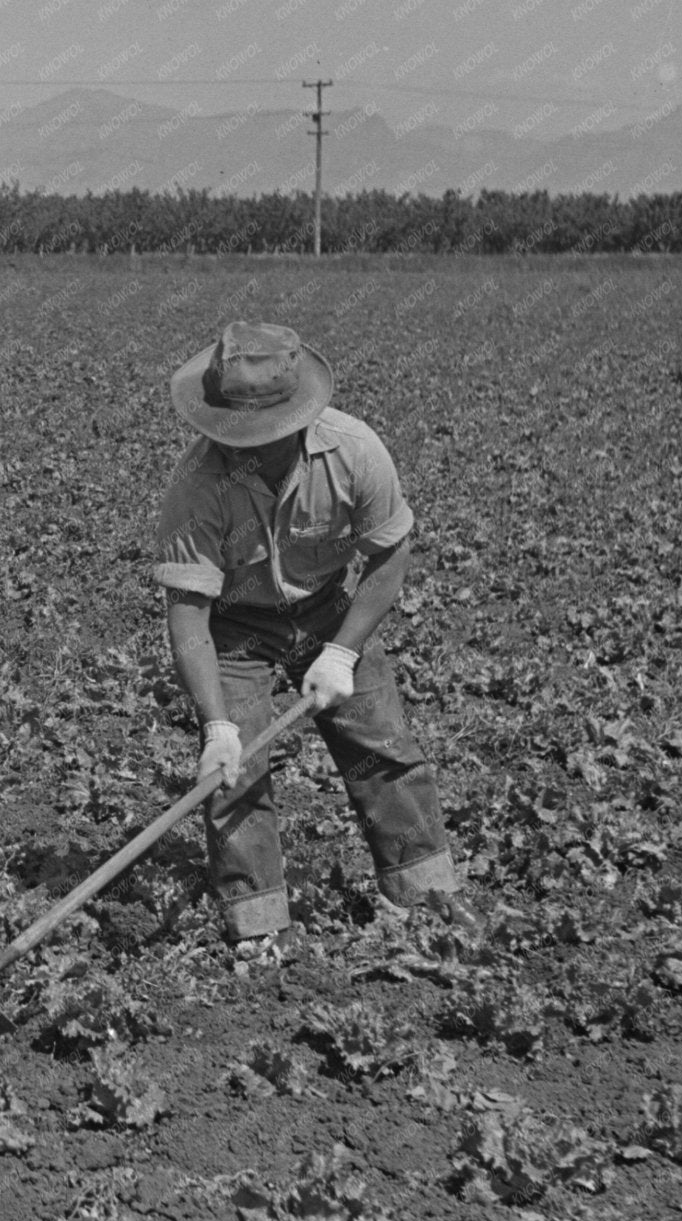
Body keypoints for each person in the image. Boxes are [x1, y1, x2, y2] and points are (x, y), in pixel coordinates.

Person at [154, 320, 467, 962]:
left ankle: (426, 897)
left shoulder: (355, 450)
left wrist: (343, 651)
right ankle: (257, 926)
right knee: (235, 775)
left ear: (298, 416)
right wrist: (217, 728)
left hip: (328, 607)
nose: (247, 447)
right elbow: (188, 618)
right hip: (233, 627)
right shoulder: (195, 489)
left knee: (380, 744)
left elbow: (389, 555)